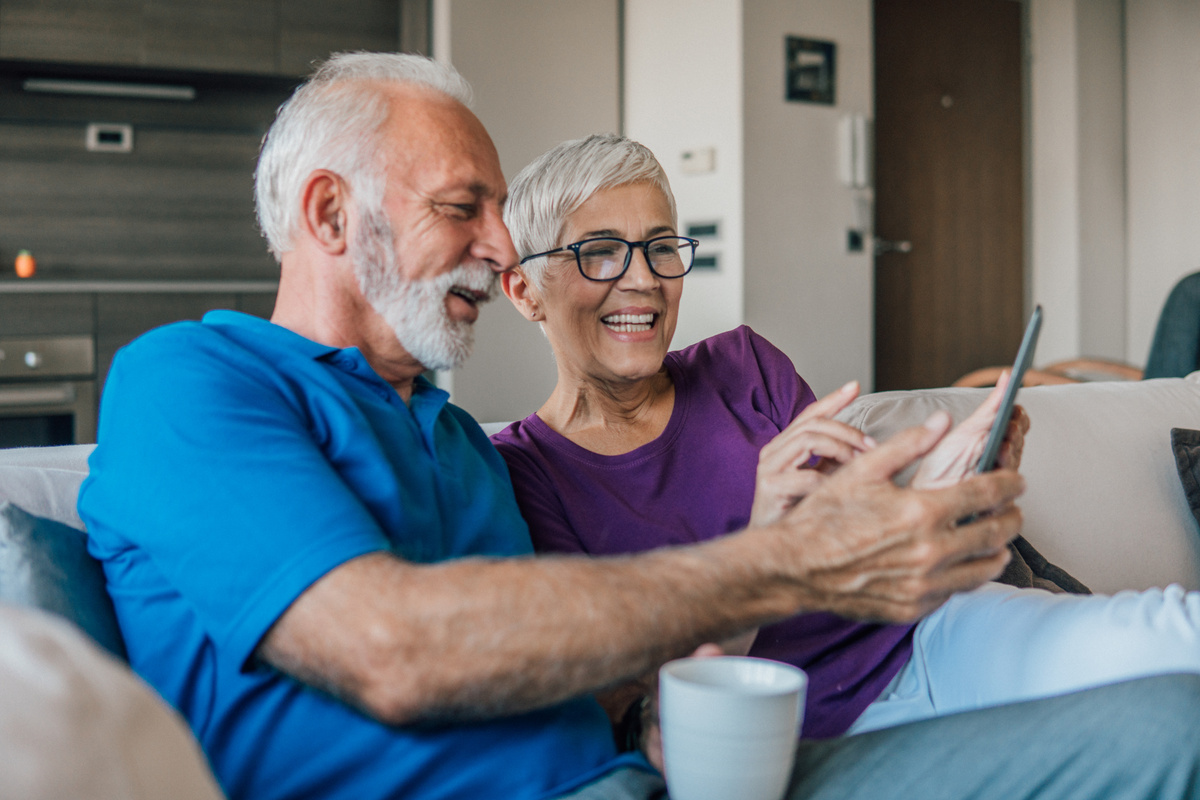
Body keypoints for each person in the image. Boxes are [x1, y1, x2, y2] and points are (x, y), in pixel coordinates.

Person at [76, 52, 1200, 800]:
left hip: (687, 773)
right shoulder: (192, 380)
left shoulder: (457, 441)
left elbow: (613, 693)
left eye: (661, 248)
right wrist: (781, 559)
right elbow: (394, 648)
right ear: (330, 212)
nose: (502, 248)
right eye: (465, 206)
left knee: (1172, 721)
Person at [491, 132, 1200, 742]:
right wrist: (769, 546)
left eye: (658, 248)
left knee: (1162, 641)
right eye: (601, 253)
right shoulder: (521, 474)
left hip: (936, 636)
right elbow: (640, 710)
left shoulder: (742, 367)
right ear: (524, 291)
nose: (642, 279)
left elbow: (872, 543)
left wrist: (939, 496)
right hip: (790, 732)